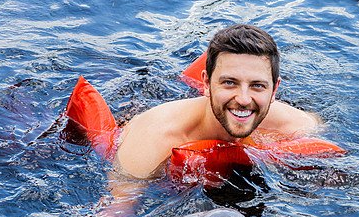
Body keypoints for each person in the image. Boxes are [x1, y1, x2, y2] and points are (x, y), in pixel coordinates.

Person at [113, 24, 318, 179]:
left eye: (257, 85)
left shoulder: (296, 125)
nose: (244, 99)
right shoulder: (151, 143)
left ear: (274, 90)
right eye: (229, 83)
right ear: (206, 83)